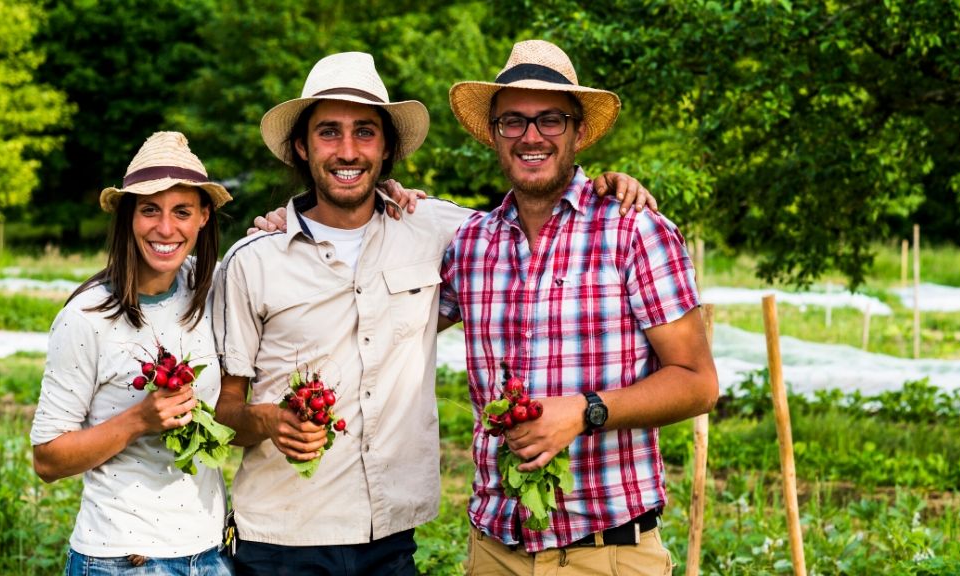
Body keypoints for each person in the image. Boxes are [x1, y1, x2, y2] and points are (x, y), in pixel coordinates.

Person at [213, 51, 653, 575]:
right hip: (280, 539)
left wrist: (610, 185)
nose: (347, 150)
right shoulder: (253, 260)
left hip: (391, 540)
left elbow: (534, 216)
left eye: (366, 132)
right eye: (329, 132)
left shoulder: (441, 230)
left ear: (388, 148)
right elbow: (224, 412)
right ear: (302, 147)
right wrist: (266, 418)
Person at [438, 39, 719, 574]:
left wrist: (584, 411)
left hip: (607, 550)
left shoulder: (634, 230)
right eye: (512, 122)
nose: (531, 136)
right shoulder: (470, 245)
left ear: (579, 131)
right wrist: (295, 219)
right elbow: (386, 295)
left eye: (550, 119)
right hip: (496, 550)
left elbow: (698, 382)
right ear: (494, 135)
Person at [30, 131, 234, 575]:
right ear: (128, 217)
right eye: (149, 210)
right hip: (124, 558)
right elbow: (47, 459)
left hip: (212, 553)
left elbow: (269, 257)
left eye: (182, 211)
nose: (165, 228)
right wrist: (138, 420)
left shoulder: (214, 288)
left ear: (203, 216)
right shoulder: (86, 317)